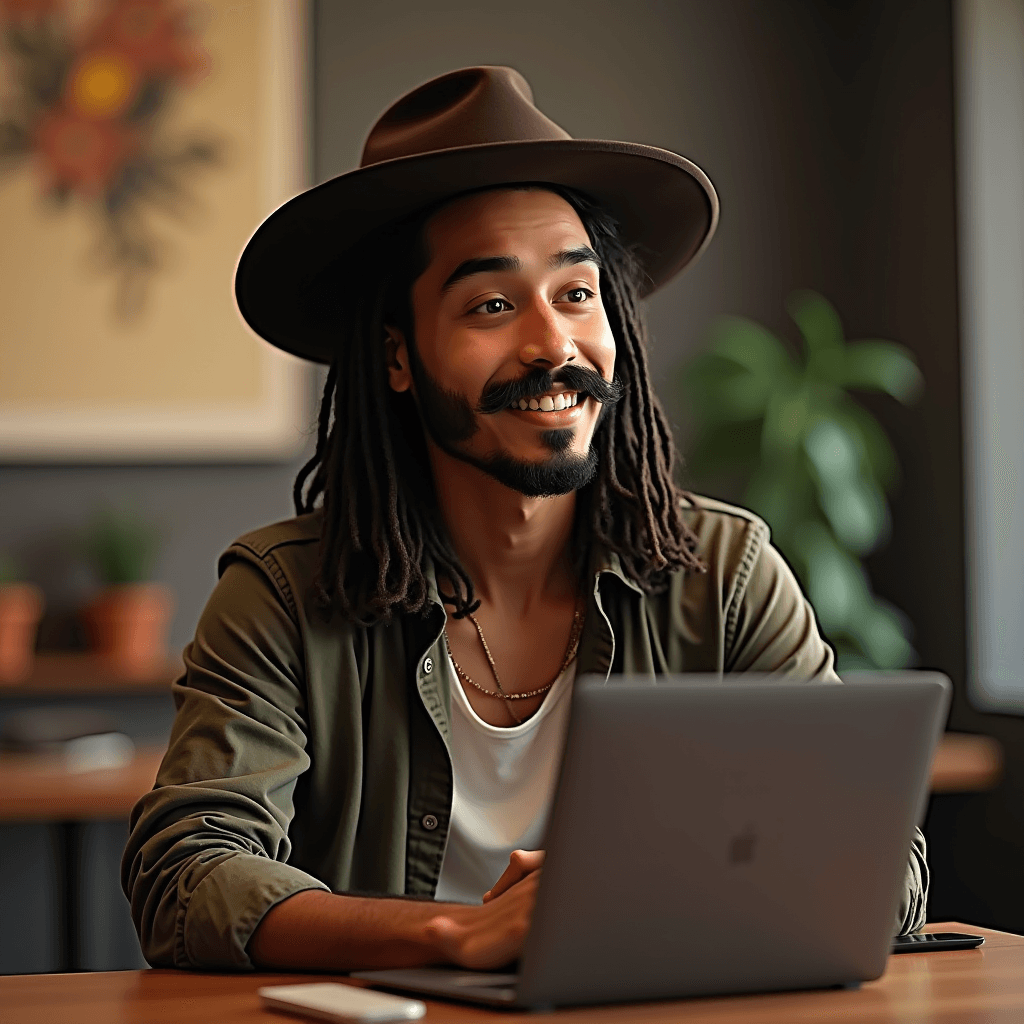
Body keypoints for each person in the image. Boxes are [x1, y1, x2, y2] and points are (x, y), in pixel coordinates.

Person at [121, 65, 928, 972]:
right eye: (492, 305)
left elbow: (883, 870)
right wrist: (456, 934)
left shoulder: (725, 573)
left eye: (577, 294)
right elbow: (186, 877)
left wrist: (621, 890)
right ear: (398, 356)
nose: (553, 344)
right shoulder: (281, 595)